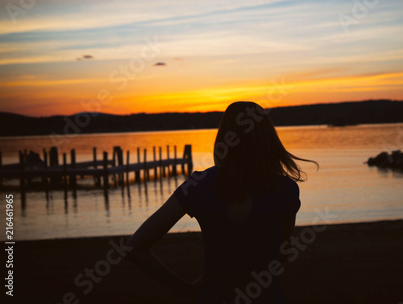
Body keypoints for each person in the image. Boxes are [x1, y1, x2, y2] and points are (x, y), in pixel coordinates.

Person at [125, 101, 317, 303]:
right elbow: (282, 254)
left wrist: (186, 289)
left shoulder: (198, 186)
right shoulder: (286, 190)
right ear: (268, 138)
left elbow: (134, 248)